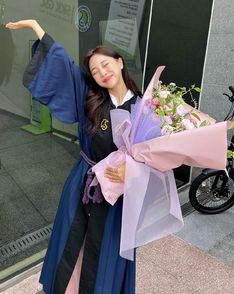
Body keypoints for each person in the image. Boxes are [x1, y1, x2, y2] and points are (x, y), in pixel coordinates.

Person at [6, 20, 142, 294]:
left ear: (120, 63)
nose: (102, 72)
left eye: (106, 64)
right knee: (71, 240)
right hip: (83, 183)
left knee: (106, 253)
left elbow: (155, 161)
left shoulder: (143, 109)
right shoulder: (91, 98)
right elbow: (64, 67)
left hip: (118, 199)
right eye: (94, 70)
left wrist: (134, 173)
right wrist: (37, 29)